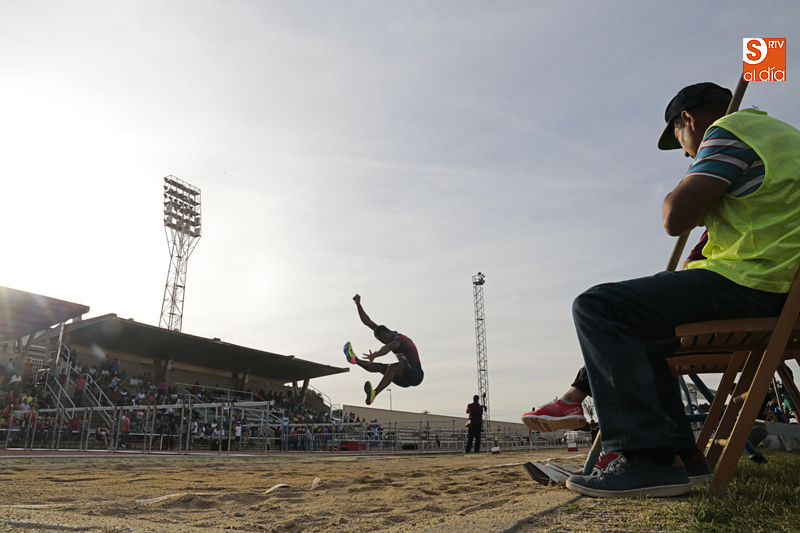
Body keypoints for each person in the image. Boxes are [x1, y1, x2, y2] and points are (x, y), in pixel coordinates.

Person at [563, 82, 800, 499]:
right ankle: (684, 459)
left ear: (687, 120)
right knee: (646, 337)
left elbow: (675, 216)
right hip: (781, 282)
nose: (689, 153)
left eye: (681, 142)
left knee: (599, 306)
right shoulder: (782, 137)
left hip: (761, 282)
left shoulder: (729, 132)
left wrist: (690, 178)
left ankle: (647, 459)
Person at [345, 294, 424, 405]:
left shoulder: (399, 339)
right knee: (381, 367)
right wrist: (358, 303)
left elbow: (387, 348)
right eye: (381, 340)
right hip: (403, 379)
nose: (384, 341)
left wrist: (376, 354)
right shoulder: (387, 335)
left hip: (416, 374)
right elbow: (367, 321)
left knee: (393, 367)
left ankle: (374, 394)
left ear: (387, 331)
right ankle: (355, 360)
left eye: (384, 338)